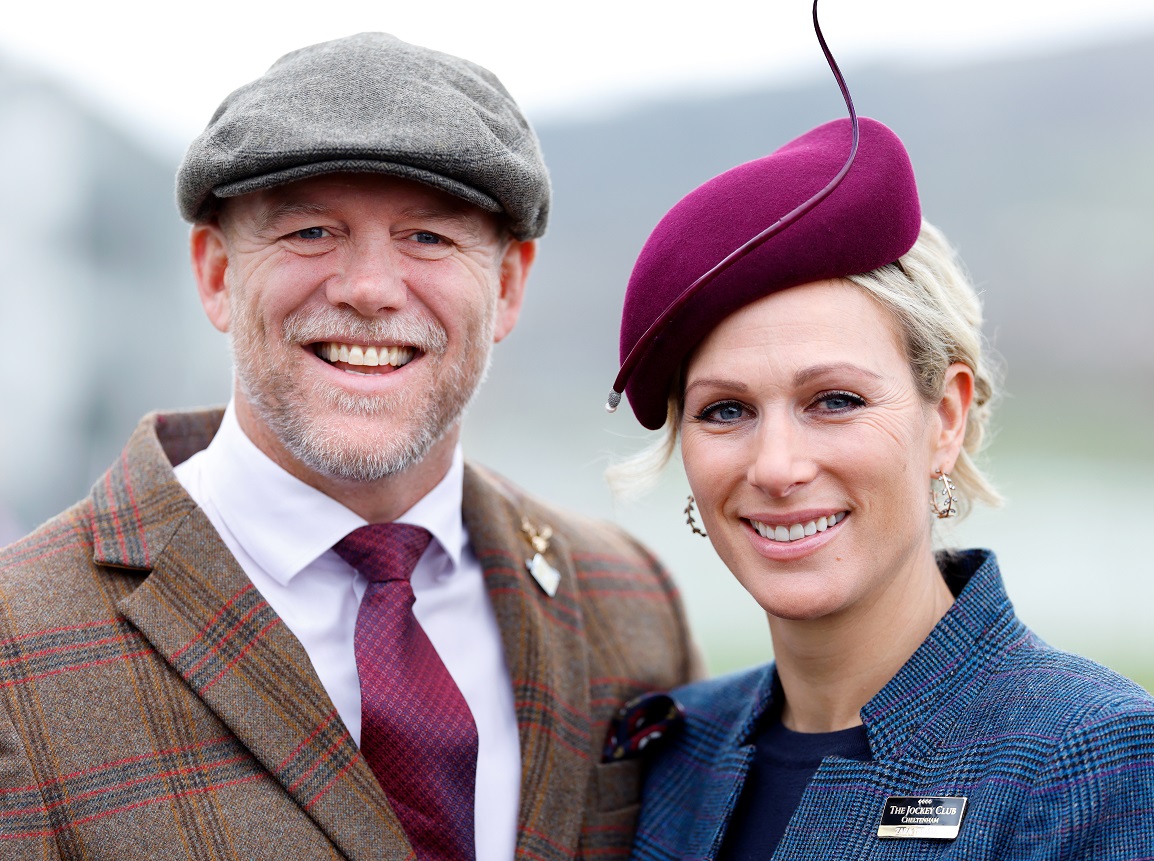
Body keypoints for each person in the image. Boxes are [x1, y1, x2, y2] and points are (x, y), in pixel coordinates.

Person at [0, 33, 698, 860]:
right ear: (217, 273)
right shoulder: (18, 645)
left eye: (429, 238)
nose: (369, 288)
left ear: (507, 287)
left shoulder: (629, 603)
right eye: (310, 233)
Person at [606, 110, 1154, 859]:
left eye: (835, 401)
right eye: (726, 410)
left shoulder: (1099, 761)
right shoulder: (670, 755)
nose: (777, 466)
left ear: (945, 418)